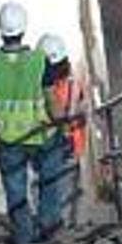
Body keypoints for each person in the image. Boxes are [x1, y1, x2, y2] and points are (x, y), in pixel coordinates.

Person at [0, 2, 65, 244]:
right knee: (49, 181)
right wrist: (62, 125)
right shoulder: (40, 60)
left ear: (0, 30)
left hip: (8, 139)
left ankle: (24, 234)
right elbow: (51, 101)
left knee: (15, 189)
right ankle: (49, 226)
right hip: (40, 134)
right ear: (24, 29)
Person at [37, 33, 88, 228]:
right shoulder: (72, 83)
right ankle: (63, 224)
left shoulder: (42, 85)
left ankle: (54, 223)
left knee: (50, 185)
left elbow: (81, 111)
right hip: (64, 143)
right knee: (62, 188)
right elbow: (82, 112)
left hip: (56, 143)